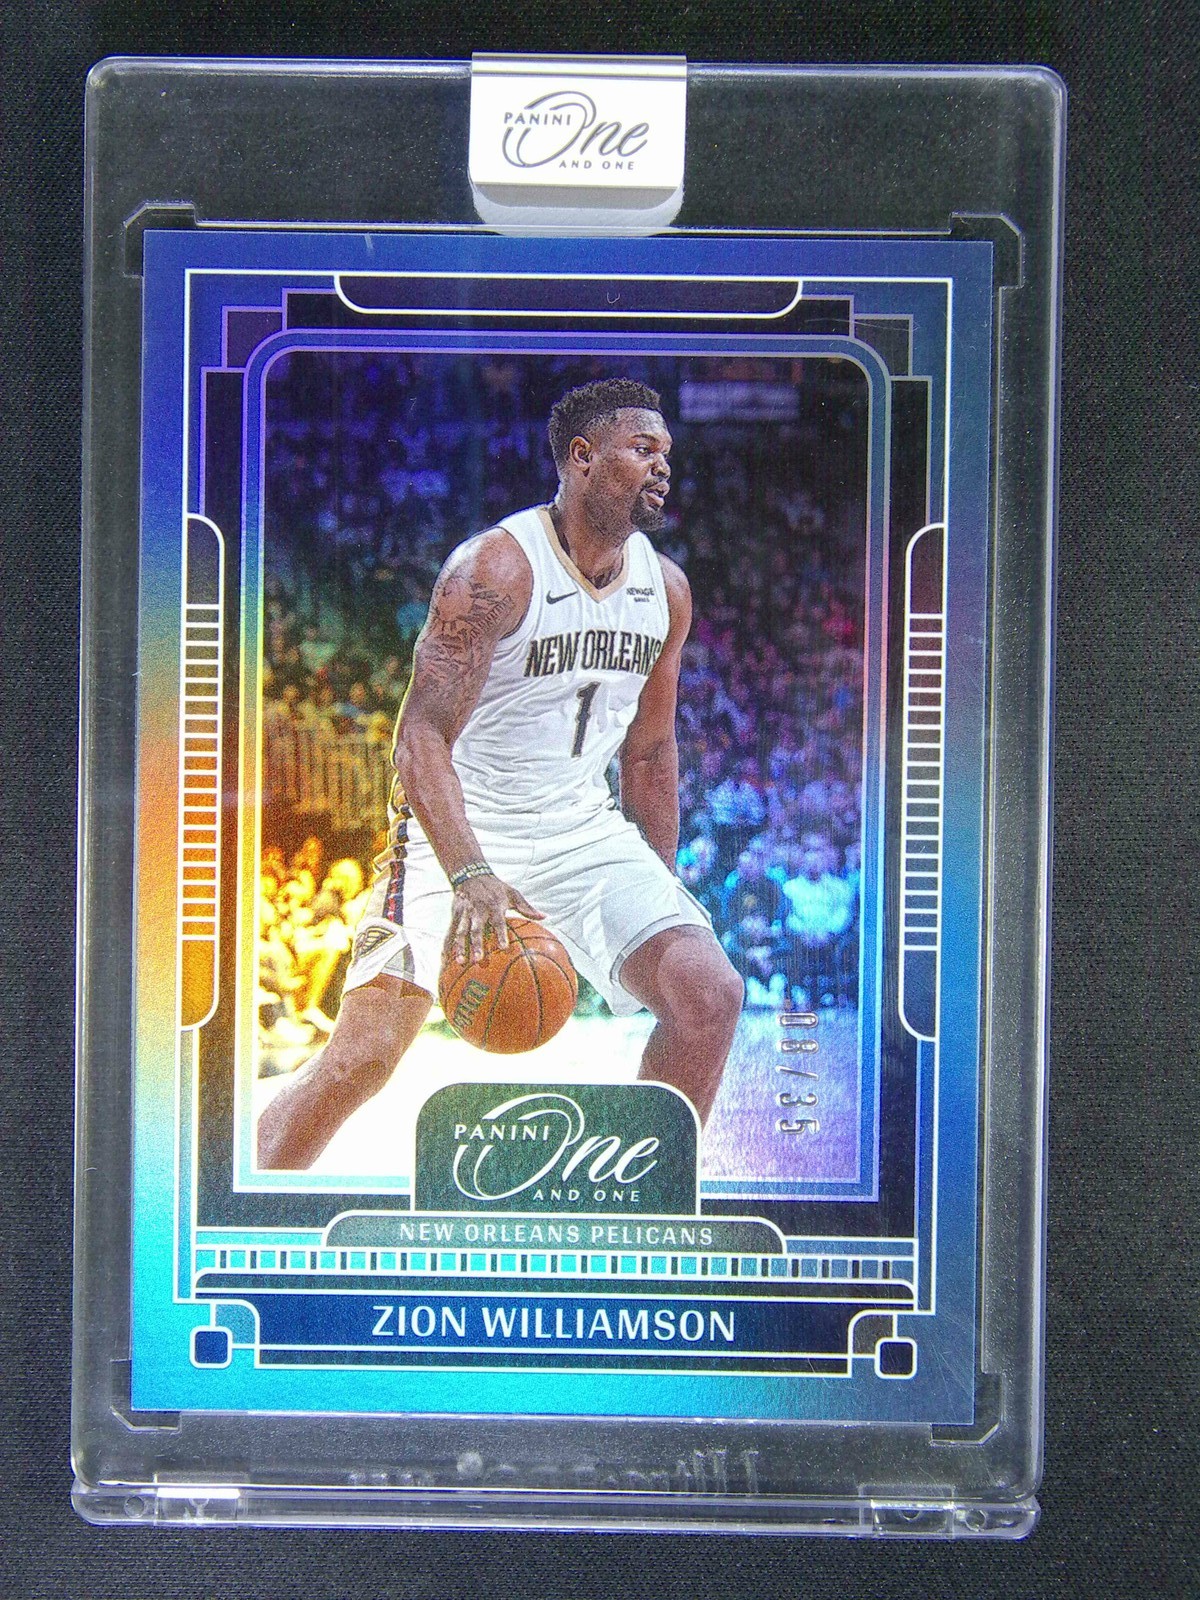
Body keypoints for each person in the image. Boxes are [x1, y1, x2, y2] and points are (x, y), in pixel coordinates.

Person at [258, 378, 743, 1169]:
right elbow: (419, 737)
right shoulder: (495, 569)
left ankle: (644, 1196)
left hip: (583, 831)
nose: (662, 466)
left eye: (666, 452)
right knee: (363, 1059)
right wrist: (470, 872)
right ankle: (242, 1200)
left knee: (708, 994)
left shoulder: (666, 590)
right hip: (457, 830)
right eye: (642, 449)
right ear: (582, 457)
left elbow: (651, 753)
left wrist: (655, 890)